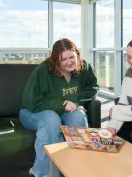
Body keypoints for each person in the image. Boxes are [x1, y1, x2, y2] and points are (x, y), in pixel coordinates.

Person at [19, 38, 99, 177]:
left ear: (78, 55)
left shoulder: (83, 67)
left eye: (72, 57)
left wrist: (75, 100)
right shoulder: (43, 70)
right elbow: (32, 102)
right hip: (32, 112)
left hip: (63, 110)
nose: (69, 62)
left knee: (78, 116)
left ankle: (76, 168)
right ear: (56, 60)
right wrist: (65, 104)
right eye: (64, 59)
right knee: (51, 119)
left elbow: (92, 87)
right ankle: (42, 173)